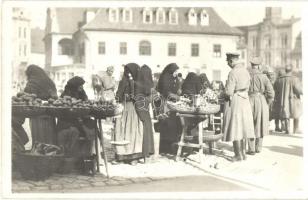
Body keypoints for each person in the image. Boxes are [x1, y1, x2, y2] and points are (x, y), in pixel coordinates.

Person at [56, 76, 97, 167]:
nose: (82, 88)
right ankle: (75, 158)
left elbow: (85, 103)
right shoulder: (65, 95)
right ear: (74, 86)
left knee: (93, 126)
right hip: (68, 121)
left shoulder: (82, 93)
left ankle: (86, 155)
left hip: (79, 119)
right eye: (80, 86)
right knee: (75, 130)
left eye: (82, 86)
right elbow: (65, 112)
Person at [222, 53, 255, 162]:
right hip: (245, 100)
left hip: (236, 100)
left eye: (228, 62)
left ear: (232, 61)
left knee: (235, 127)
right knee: (242, 127)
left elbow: (229, 92)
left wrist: (222, 93)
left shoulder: (232, 72)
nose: (227, 64)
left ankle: (238, 155)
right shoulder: (245, 71)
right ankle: (243, 154)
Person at [114, 63, 144, 165]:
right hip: (124, 108)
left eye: (130, 71)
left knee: (133, 131)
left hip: (134, 109)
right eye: (127, 71)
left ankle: (133, 156)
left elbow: (138, 95)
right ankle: (122, 156)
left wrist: (132, 83)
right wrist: (119, 100)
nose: (128, 73)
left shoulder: (138, 82)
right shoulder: (123, 81)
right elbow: (118, 94)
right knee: (122, 131)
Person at [24, 65, 58, 145]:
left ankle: (39, 153)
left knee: (39, 139)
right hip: (50, 114)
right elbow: (55, 97)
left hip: (36, 114)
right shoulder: (49, 82)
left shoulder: (32, 83)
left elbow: (26, 97)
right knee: (50, 138)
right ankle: (52, 152)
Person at [247, 57, 275, 155]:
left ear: (251, 65)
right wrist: (267, 102)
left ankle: (251, 148)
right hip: (261, 100)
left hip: (248, 99)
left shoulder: (247, 75)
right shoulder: (264, 77)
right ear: (259, 66)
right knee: (260, 123)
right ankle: (258, 147)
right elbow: (271, 93)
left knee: (249, 123)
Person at [156, 63, 182, 154]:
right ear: (171, 71)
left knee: (173, 125)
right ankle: (163, 148)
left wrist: (180, 93)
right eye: (175, 71)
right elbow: (166, 92)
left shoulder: (175, 78)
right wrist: (177, 97)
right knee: (165, 124)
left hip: (173, 104)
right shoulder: (165, 78)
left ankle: (171, 147)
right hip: (165, 104)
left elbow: (178, 89)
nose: (176, 73)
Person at [273, 65, 302, 134]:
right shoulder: (295, 79)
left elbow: (274, 89)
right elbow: (299, 90)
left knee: (286, 113)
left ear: (285, 71)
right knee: (296, 114)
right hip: (293, 100)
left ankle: (287, 128)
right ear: (291, 71)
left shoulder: (279, 80)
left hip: (282, 100)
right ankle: (296, 129)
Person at [135, 64, 155, 162]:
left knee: (146, 126)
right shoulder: (146, 83)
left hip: (141, 106)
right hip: (142, 107)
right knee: (147, 126)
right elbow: (148, 95)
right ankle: (147, 151)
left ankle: (147, 151)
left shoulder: (138, 81)